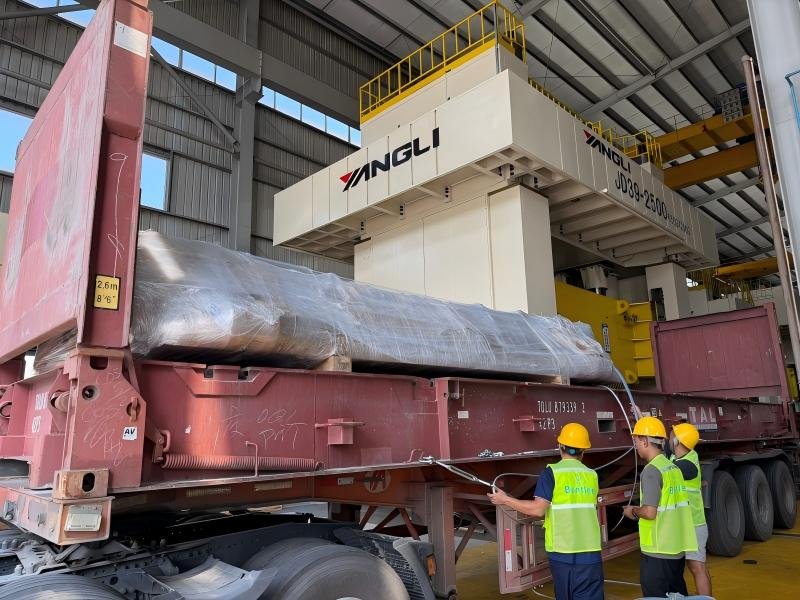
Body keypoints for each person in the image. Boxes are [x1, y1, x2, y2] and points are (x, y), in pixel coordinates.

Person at [488, 423, 603, 600]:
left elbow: (538, 510)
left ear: (560, 447)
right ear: (583, 451)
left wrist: (505, 499)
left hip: (562, 552)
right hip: (590, 552)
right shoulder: (592, 475)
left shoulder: (552, 473)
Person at [623, 416, 697, 598]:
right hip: (676, 549)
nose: (636, 446)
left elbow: (649, 512)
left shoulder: (651, 472)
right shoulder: (672, 468)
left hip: (658, 549)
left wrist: (632, 510)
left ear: (645, 441)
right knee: (678, 595)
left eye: (637, 441)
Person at [669, 422, 711, 596]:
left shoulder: (687, 466)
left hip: (694, 524)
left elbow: (661, 464)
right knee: (693, 566)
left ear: (678, 441)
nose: (668, 438)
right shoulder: (676, 458)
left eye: (672, 435)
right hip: (685, 524)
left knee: (697, 567)